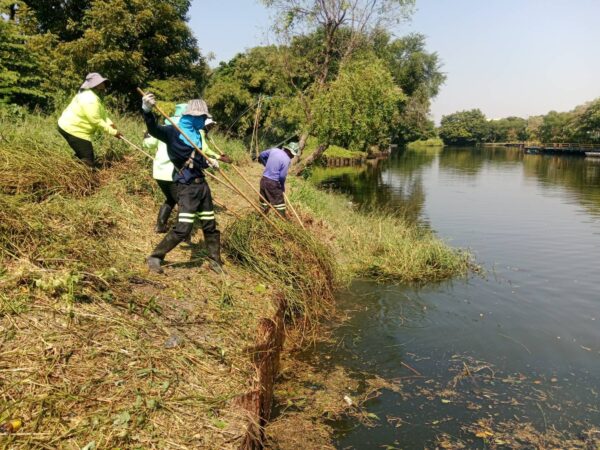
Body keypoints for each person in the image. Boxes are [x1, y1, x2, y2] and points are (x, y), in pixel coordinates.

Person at [141, 93, 224, 274]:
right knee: (183, 228)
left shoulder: (197, 134)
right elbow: (154, 129)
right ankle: (155, 256)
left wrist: (209, 162)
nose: (204, 121)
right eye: (202, 117)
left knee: (210, 225)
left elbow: (196, 160)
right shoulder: (173, 132)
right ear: (193, 116)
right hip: (186, 187)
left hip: (202, 186)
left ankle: (215, 260)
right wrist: (147, 111)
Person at [142, 109, 233, 234]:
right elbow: (202, 150)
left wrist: (146, 136)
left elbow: (148, 144)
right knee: (183, 202)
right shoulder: (189, 131)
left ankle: (161, 226)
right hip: (176, 173)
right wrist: (217, 158)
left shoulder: (164, 128)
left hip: (159, 171)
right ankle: (181, 232)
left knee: (171, 199)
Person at [58, 73, 121, 167]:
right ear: (94, 86)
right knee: (88, 160)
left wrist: (110, 124)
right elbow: (96, 120)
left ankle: (71, 166)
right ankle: (73, 173)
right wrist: (113, 132)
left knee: (83, 155)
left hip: (72, 127)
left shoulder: (94, 96)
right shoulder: (90, 99)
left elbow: (102, 114)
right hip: (73, 129)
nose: (103, 86)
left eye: (103, 83)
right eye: (100, 83)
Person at [258, 142, 300, 217]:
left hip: (263, 180)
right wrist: (282, 187)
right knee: (280, 205)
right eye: (293, 154)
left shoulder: (274, 150)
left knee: (264, 202)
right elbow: (282, 177)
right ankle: (282, 221)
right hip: (272, 183)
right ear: (290, 152)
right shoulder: (287, 160)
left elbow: (261, 155)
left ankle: (260, 218)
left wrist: (266, 164)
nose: (293, 157)